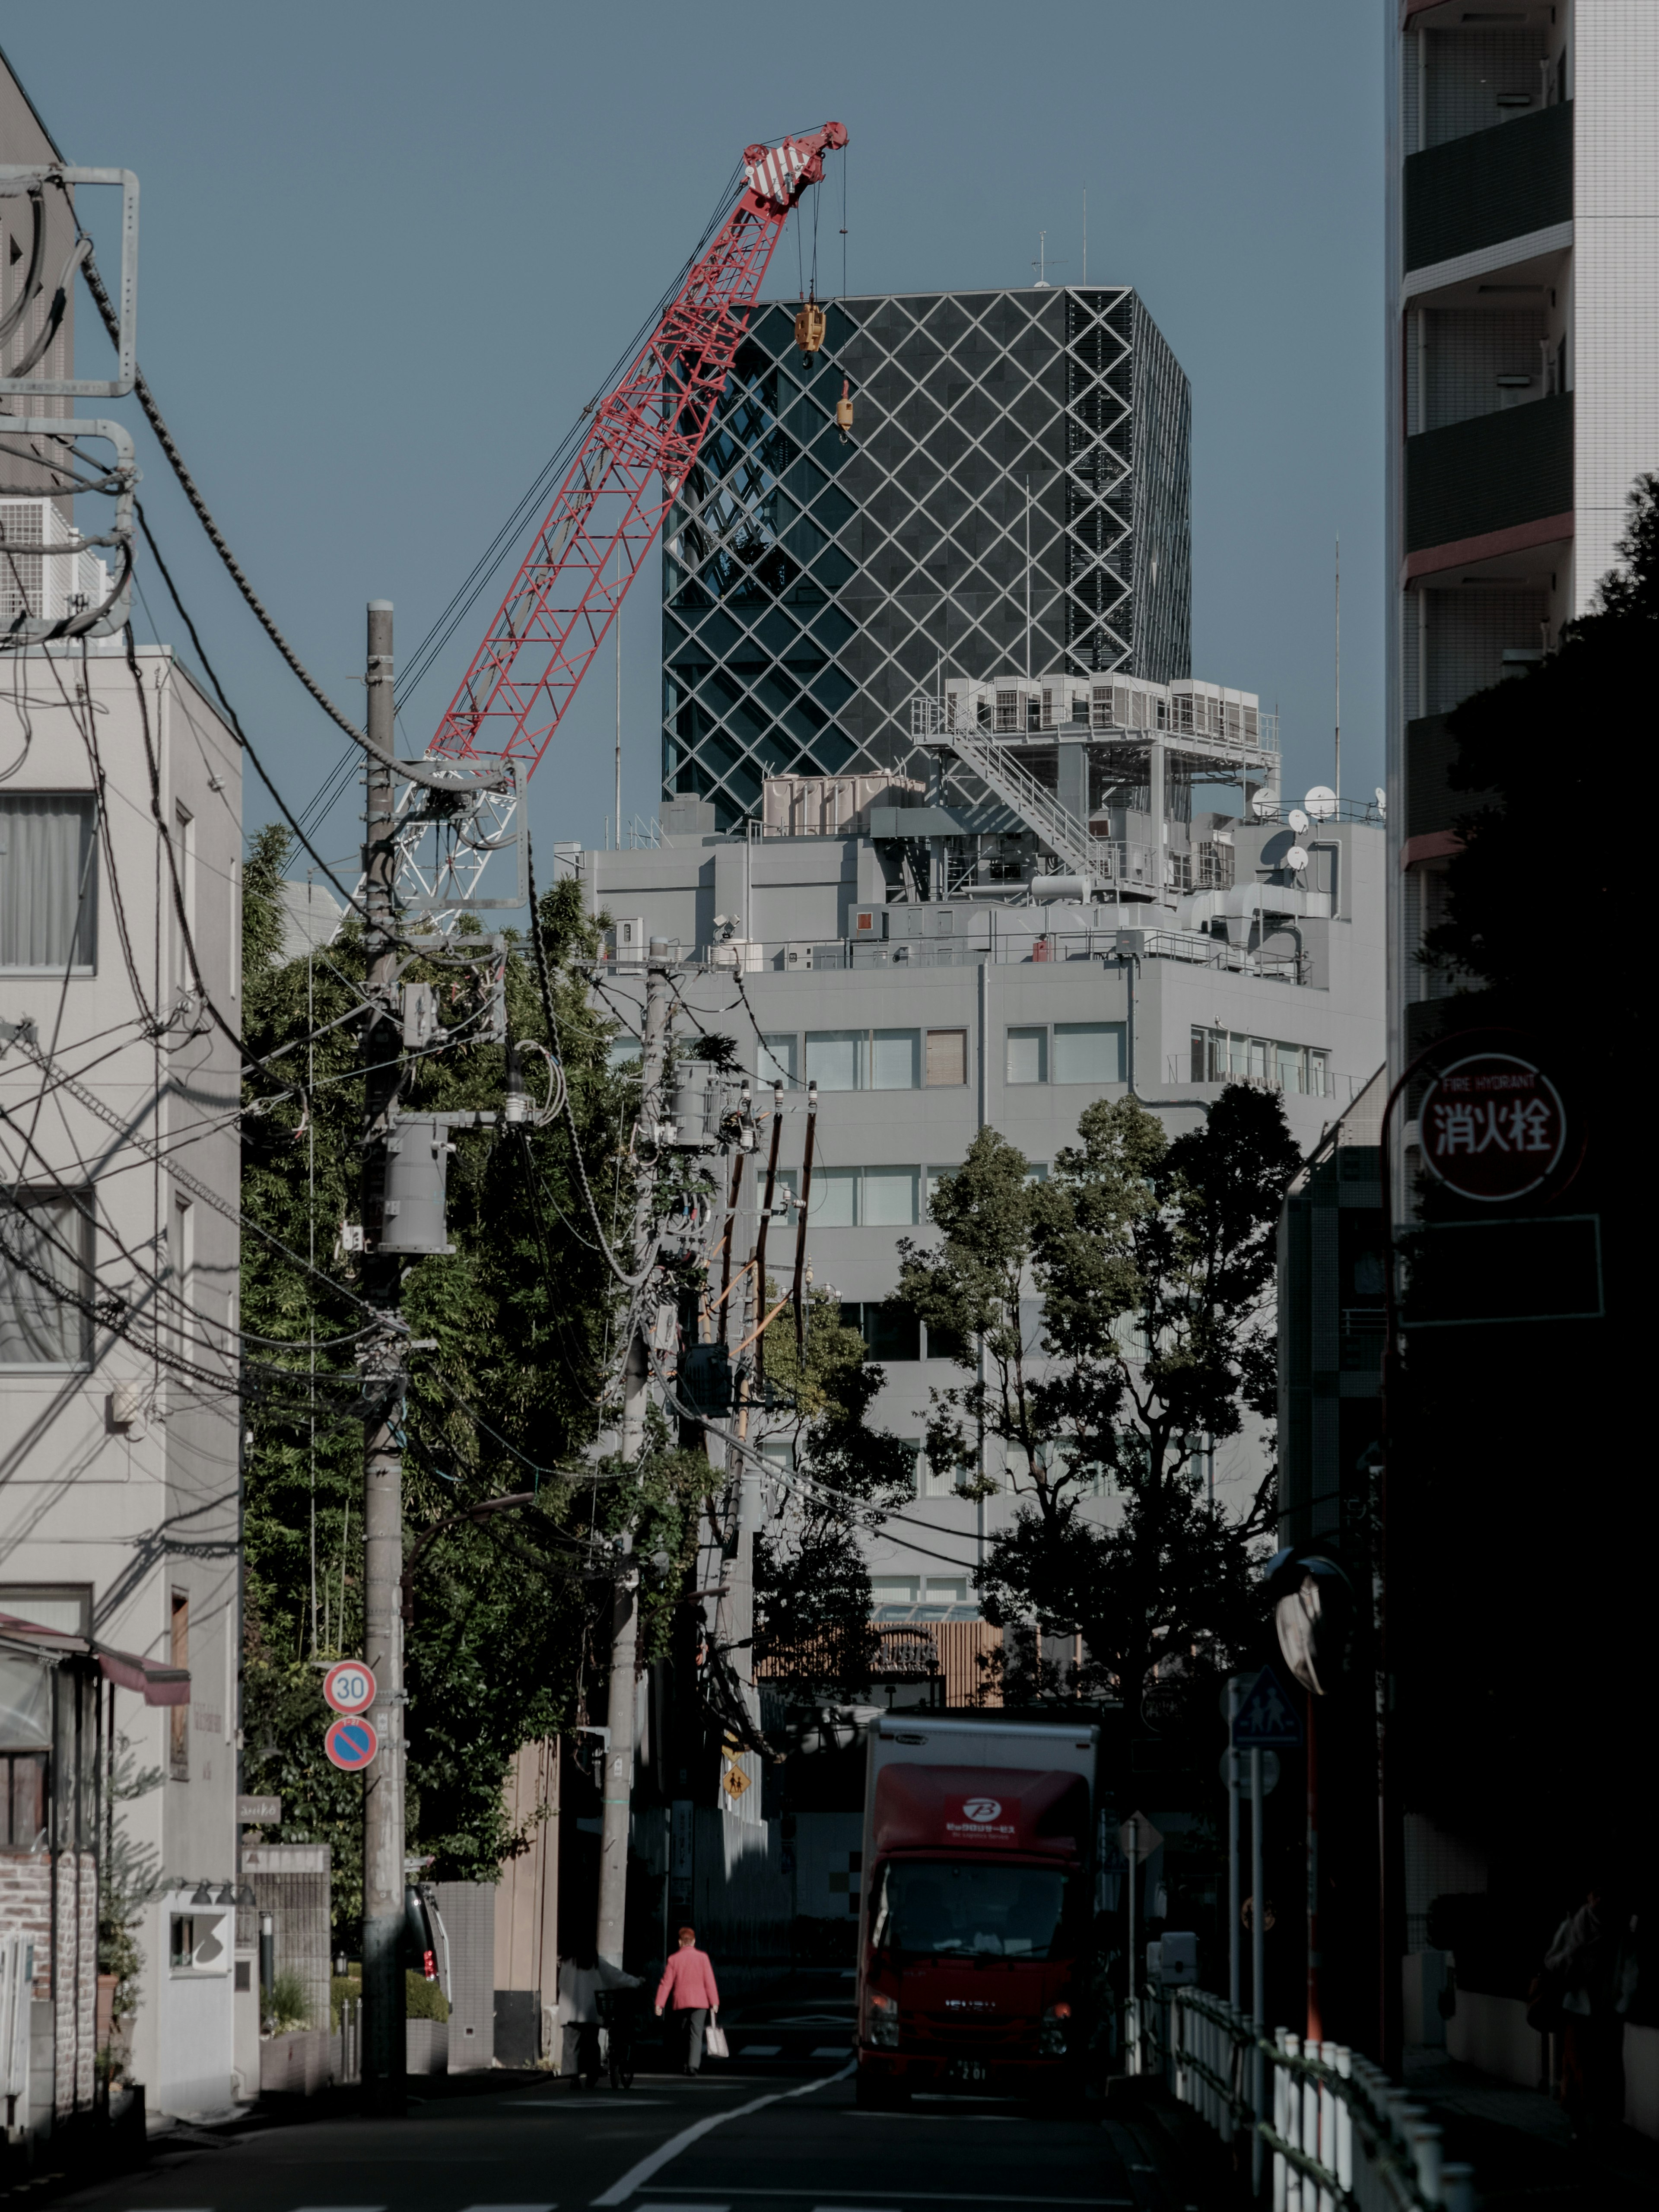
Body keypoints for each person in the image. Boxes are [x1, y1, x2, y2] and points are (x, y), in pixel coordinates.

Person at [1544, 1879, 1638, 2143]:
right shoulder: (1573, 1927)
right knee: (1576, 2069)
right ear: (1588, 1897)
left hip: (1607, 2013)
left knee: (1607, 2070)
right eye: (1596, 1894)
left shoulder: (1620, 1932)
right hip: (1577, 2010)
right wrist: (1571, 1955)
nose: (1600, 1900)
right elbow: (1551, 1961)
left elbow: (1631, 1971)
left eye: (1605, 1895)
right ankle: (1579, 2123)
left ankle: (1603, 2123)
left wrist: (1621, 2006)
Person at [556, 1947, 641, 2088]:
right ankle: (592, 2074)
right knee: (591, 2044)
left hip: (569, 2010)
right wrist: (636, 1982)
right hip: (589, 2010)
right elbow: (615, 1976)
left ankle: (574, 2077)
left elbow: (561, 1985)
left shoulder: (567, 1962)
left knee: (571, 2044)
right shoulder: (595, 1962)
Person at [655, 1924, 720, 2075]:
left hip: (681, 2002)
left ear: (680, 1942)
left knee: (683, 2033)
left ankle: (684, 2062)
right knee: (696, 2033)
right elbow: (709, 1981)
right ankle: (693, 2066)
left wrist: (660, 2003)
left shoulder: (674, 1959)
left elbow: (666, 1983)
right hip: (701, 2003)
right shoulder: (703, 1958)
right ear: (694, 1941)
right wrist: (714, 2002)